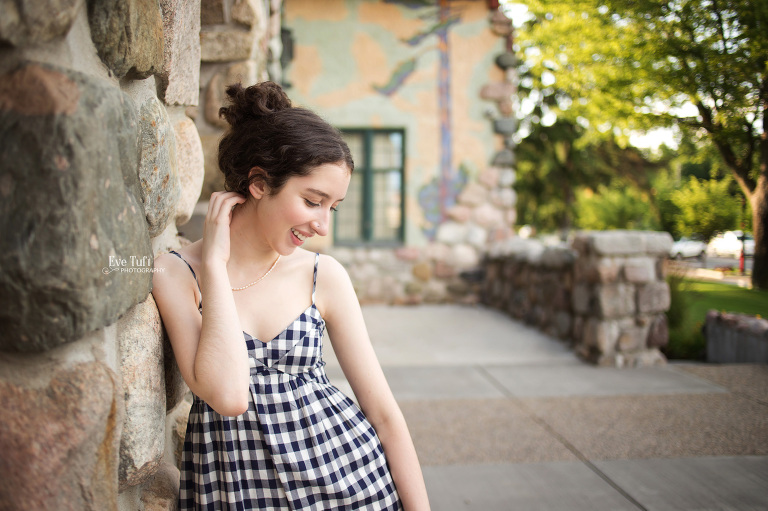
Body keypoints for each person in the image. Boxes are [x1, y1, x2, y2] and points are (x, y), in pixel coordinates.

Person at [152, 81, 430, 510]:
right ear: (259, 183)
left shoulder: (323, 275)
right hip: (238, 492)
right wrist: (214, 265)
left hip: (349, 482)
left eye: (332, 207)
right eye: (312, 201)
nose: (323, 225)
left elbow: (385, 416)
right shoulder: (177, 272)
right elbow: (228, 396)